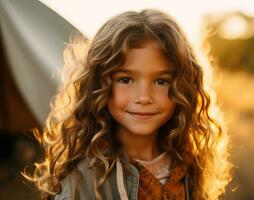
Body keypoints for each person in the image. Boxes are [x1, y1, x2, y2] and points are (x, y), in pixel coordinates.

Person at [24, 9, 232, 200]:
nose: (143, 97)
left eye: (161, 81)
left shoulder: (189, 164)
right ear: (99, 84)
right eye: (126, 80)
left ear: (183, 88)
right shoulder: (82, 181)